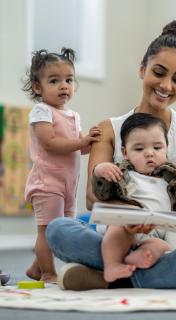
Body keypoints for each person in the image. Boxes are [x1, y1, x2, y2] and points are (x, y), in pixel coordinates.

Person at [46, 20, 176, 291]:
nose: (166, 85)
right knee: (59, 230)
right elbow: (92, 197)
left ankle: (116, 278)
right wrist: (135, 218)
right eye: (158, 73)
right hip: (124, 232)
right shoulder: (109, 129)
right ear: (142, 69)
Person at [95, 112, 176, 282]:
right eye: (139, 149)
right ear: (125, 152)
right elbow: (102, 193)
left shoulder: (171, 175)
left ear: (167, 147)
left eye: (157, 148)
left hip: (164, 227)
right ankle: (112, 265)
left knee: (165, 247)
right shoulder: (122, 173)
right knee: (115, 227)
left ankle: (140, 259)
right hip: (131, 226)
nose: (149, 153)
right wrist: (100, 171)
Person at [22, 48, 101, 283]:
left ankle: (37, 267)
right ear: (38, 87)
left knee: (62, 231)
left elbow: (80, 147)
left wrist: (93, 140)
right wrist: (81, 141)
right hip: (47, 182)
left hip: (69, 184)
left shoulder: (73, 116)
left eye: (69, 80)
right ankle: (48, 273)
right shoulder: (41, 111)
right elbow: (50, 143)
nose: (64, 86)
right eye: (54, 81)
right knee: (47, 231)